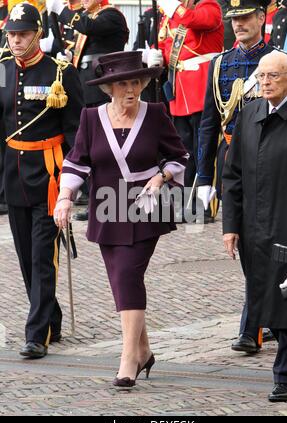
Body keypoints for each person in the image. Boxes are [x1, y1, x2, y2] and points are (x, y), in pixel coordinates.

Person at [54, 50, 188, 387]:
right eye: (122, 84)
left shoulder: (155, 114)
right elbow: (76, 161)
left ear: (143, 83)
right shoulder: (91, 117)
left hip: (145, 209)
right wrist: (65, 198)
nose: (130, 89)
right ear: (109, 88)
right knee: (119, 279)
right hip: (106, 207)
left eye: (136, 82)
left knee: (128, 273)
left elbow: (179, 157)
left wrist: (161, 177)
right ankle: (143, 350)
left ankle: (128, 357)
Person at [0, 3, 83, 358]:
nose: (16, 41)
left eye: (22, 34)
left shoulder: (60, 72)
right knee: (24, 257)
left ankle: (36, 334)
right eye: (11, 35)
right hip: (14, 174)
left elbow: (76, 131)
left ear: (37, 34)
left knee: (41, 257)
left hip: (50, 175)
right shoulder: (2, 70)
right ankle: (51, 314)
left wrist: (73, 181)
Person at [197, 0, 277, 354]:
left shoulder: (278, 62)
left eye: (245, 17)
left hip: (271, 161)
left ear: (261, 17)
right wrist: (201, 175)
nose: (239, 24)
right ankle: (265, 317)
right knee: (243, 243)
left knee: (268, 245)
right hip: (232, 161)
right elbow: (208, 123)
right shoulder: (220, 65)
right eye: (234, 19)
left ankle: (253, 327)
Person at [222, 51, 287, 402]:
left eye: (273, 76)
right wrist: (230, 225)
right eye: (261, 76)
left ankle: (286, 373)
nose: (265, 82)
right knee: (267, 297)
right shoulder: (250, 113)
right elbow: (233, 174)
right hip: (255, 228)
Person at [46, 0, 129, 221]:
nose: (82, 0)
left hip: (101, 91)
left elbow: (88, 27)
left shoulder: (111, 15)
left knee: (106, 148)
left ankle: (113, 202)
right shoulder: (92, 17)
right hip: (86, 90)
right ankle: (98, 201)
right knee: (93, 149)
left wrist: (61, 11)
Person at [146, 0, 223, 223]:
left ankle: (204, 205)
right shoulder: (170, 16)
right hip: (179, 91)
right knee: (183, 151)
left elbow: (198, 21)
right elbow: (168, 46)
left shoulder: (209, 5)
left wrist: (174, 9)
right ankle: (185, 204)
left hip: (202, 87)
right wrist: (154, 55)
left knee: (205, 148)